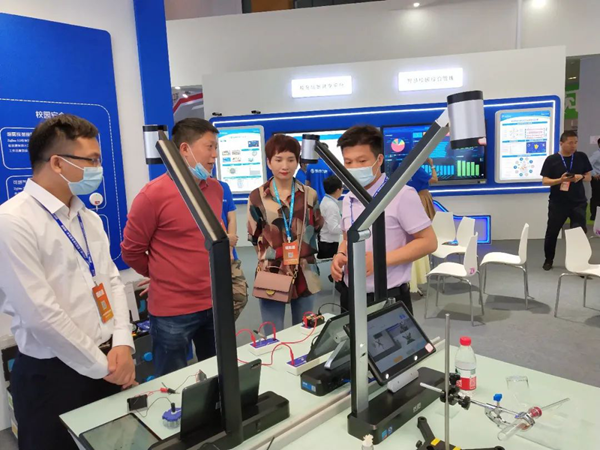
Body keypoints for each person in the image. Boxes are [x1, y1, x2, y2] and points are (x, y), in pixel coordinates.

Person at [0, 115, 135, 450]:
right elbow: (41, 315)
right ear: (58, 163)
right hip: (54, 377)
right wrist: (103, 366)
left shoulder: (87, 217)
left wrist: (122, 343)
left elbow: (112, 282)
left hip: (108, 363)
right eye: (92, 160)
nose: (98, 169)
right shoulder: (13, 222)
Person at [121, 118, 223, 376]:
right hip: (172, 312)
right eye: (209, 147)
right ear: (185, 149)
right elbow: (131, 251)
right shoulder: (152, 195)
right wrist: (161, 274)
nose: (215, 155)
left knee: (219, 374)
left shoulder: (215, 189)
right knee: (172, 381)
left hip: (214, 302)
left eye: (216, 147)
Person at [330, 125, 438, 314]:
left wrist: (380, 260)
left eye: (362, 161)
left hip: (388, 297)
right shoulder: (348, 199)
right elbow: (347, 239)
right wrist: (340, 254)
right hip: (350, 295)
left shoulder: (402, 195)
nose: (354, 167)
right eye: (348, 162)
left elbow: (428, 242)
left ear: (379, 160)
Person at [248, 134, 324, 332]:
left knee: (305, 331)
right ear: (269, 162)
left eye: (291, 159)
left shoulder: (309, 194)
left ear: (298, 161)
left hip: (305, 270)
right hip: (272, 270)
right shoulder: (257, 196)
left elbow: (317, 225)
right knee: (273, 332)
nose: (285, 165)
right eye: (278, 159)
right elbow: (254, 235)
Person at [541, 130, 592, 271]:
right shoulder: (552, 160)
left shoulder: (581, 157)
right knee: (552, 232)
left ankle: (578, 263)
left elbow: (589, 177)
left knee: (578, 233)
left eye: (575, 142)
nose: (573, 145)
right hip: (558, 203)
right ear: (561, 143)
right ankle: (548, 260)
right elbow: (545, 181)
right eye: (570, 143)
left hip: (578, 202)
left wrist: (581, 177)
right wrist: (560, 180)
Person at [218, 178, 248, 320]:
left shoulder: (222, 187)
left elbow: (231, 218)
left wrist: (229, 248)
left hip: (229, 253)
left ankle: (221, 327)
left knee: (240, 296)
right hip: (205, 255)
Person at [407, 159, 438, 294]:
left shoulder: (405, 169)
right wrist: (432, 165)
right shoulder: (418, 170)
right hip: (422, 198)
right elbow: (435, 180)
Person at [317, 175, 343, 259]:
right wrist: (347, 227)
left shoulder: (326, 201)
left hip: (326, 241)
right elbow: (333, 229)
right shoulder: (331, 205)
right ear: (338, 190)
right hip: (329, 244)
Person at [589, 138, 600, 222]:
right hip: (597, 179)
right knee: (596, 197)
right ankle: (594, 215)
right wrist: (594, 174)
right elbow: (588, 164)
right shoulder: (597, 154)